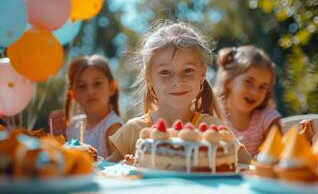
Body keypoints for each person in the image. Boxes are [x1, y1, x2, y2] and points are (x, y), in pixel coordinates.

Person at [108, 21, 238, 162]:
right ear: (149, 77)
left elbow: (249, 167)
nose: (177, 81)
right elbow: (108, 171)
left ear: (203, 73)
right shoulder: (133, 131)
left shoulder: (214, 129)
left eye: (188, 70)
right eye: (165, 72)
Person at [49, 55, 124, 158]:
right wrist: (59, 135)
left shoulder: (113, 127)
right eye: (82, 86)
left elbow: (117, 169)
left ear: (111, 88)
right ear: (73, 94)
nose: (90, 91)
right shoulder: (72, 125)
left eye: (97, 83)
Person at [215, 45, 282, 157]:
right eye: (248, 82)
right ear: (229, 81)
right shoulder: (213, 112)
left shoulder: (268, 119)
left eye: (262, 87)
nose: (255, 92)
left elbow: (279, 155)